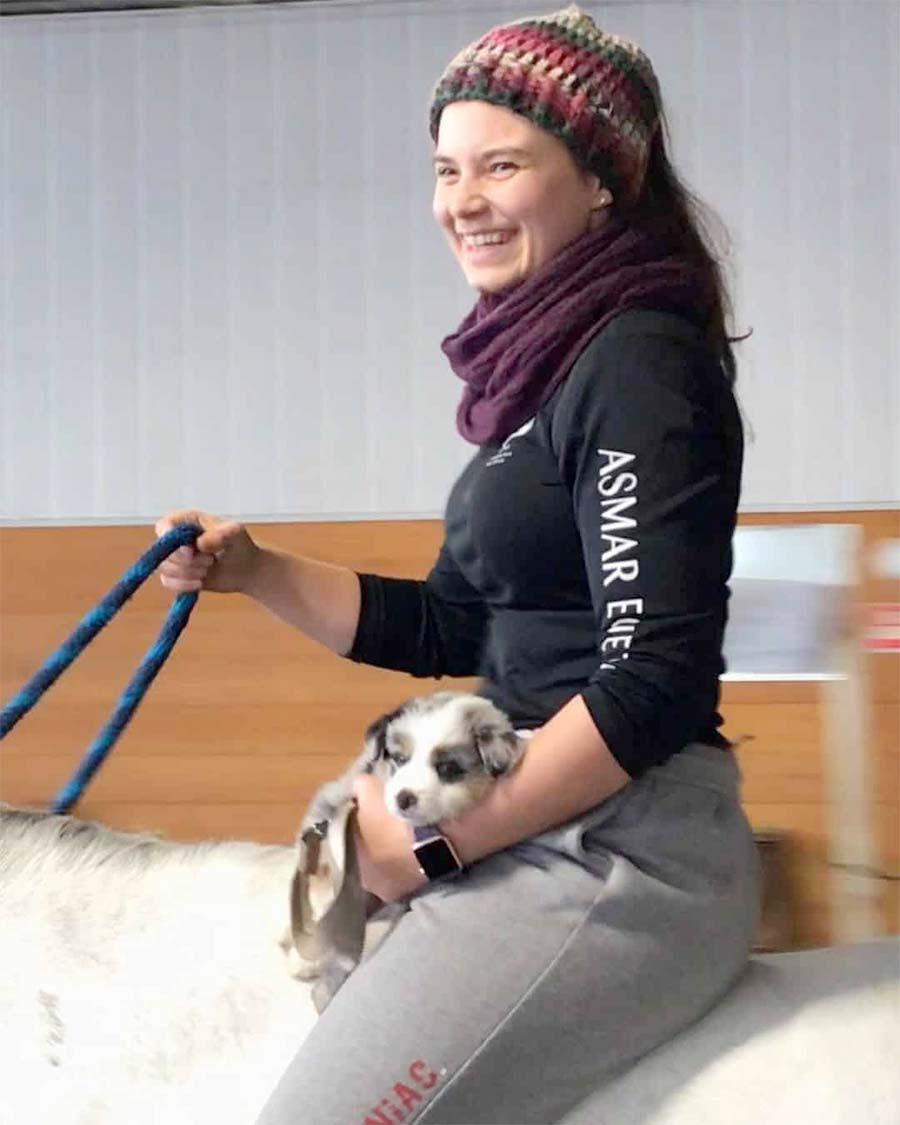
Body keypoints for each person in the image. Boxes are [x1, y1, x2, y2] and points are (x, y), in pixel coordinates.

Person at [157, 7, 760, 1122]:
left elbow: (651, 682)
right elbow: (454, 628)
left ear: (600, 182)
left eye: (503, 164)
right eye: (446, 169)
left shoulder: (639, 363)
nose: (462, 199)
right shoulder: (546, 372)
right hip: (532, 816)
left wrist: (424, 845)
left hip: (617, 847)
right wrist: (256, 570)